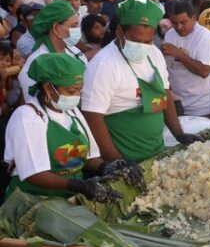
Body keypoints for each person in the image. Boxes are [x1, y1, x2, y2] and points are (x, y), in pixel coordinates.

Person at [4, 53, 144, 202]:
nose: (77, 96)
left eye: (79, 90)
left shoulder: (72, 112)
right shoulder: (28, 118)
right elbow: (34, 174)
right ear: (48, 88)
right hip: (34, 199)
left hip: (70, 197)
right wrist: (78, 185)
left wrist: (109, 167)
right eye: (71, 91)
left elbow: (89, 157)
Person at [81, 0, 194, 163]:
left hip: (155, 153)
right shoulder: (103, 65)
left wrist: (179, 133)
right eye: (134, 40)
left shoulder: (154, 54)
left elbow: (165, 95)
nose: (141, 46)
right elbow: (93, 118)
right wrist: (118, 162)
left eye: (147, 41)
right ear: (119, 31)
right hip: (124, 157)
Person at [18, 0, 87, 101]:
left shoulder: (76, 52)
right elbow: (34, 103)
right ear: (55, 28)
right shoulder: (36, 64)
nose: (77, 30)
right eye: (73, 26)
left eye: (77, 25)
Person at [162, 2, 210, 118]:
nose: (179, 27)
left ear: (193, 18)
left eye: (183, 23)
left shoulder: (205, 37)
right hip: (176, 104)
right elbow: (166, 67)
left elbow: (204, 71)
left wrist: (180, 55)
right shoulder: (170, 34)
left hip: (199, 108)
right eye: (175, 23)